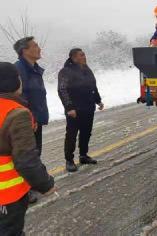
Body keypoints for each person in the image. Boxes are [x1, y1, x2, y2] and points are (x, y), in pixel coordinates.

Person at [0, 62, 55, 235]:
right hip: (8, 195)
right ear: (15, 82)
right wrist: (45, 184)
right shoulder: (16, 113)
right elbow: (26, 160)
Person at [13, 36, 49, 204]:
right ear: (24, 51)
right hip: (26, 120)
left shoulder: (34, 69)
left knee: (34, 152)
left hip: (35, 118)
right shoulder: (19, 70)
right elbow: (19, 97)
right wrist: (30, 117)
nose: (39, 48)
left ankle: (30, 185)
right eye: (35, 46)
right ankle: (23, 190)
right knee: (25, 155)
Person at [58, 48, 104, 172]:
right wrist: (69, 107)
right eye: (81, 55)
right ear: (74, 58)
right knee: (71, 135)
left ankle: (83, 155)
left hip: (88, 107)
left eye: (84, 55)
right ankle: (69, 160)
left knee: (86, 133)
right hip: (75, 110)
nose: (84, 57)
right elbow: (62, 90)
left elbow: (93, 86)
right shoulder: (65, 71)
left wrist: (98, 100)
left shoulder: (87, 69)